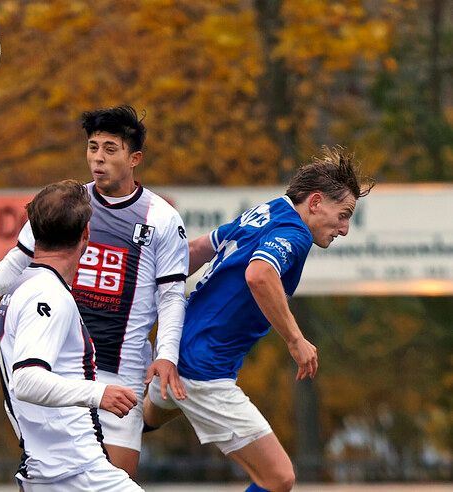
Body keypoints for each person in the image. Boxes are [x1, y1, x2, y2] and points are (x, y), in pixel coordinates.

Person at [0, 105, 189, 477]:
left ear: (134, 158)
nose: (98, 159)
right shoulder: (68, 204)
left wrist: (167, 354)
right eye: (92, 147)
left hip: (121, 369)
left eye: (110, 149)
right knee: (58, 478)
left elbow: (170, 296)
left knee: (115, 482)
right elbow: (20, 258)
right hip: (62, 369)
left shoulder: (162, 218)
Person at [143, 147, 374, 492]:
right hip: (204, 369)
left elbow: (195, 251)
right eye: (343, 215)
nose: (344, 229)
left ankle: (68, 445)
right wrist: (296, 339)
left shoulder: (266, 210)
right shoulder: (295, 234)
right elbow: (260, 274)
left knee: (138, 421)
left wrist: (138, 298)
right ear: (315, 203)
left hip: (176, 351)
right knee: (279, 478)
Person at [0, 179, 142, 491]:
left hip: (51, 473)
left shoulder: (23, 286)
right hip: (75, 473)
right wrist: (99, 393)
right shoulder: (46, 295)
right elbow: (27, 380)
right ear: (86, 235)